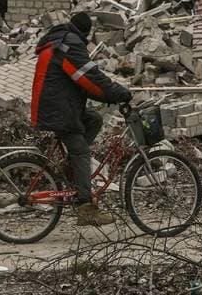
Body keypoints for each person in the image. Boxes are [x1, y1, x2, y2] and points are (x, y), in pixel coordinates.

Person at [29, 11, 131, 226]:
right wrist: (116, 93)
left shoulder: (60, 40)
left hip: (58, 105)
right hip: (59, 109)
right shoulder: (70, 44)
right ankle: (86, 208)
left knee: (94, 119)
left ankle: (74, 170)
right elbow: (88, 78)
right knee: (81, 151)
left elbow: (82, 78)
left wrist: (106, 93)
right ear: (86, 32)